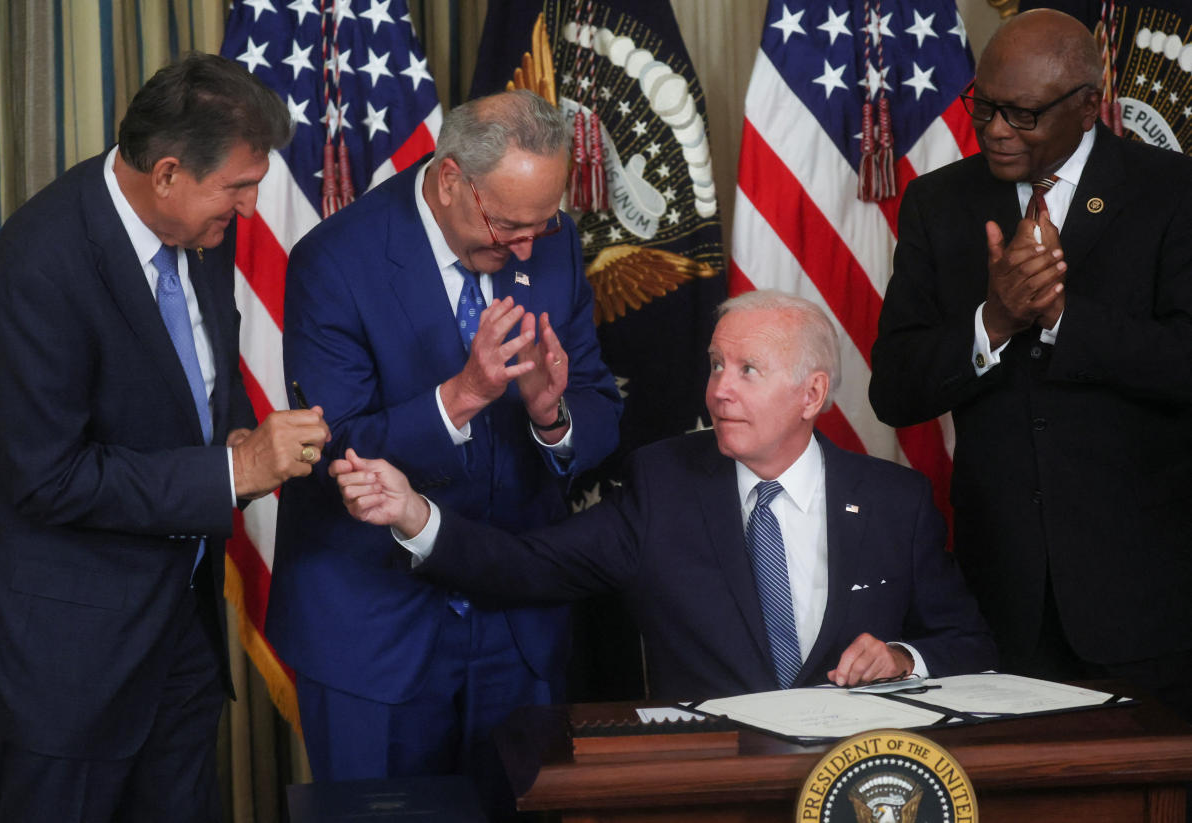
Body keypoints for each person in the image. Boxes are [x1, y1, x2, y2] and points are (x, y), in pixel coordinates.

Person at [0, 52, 330, 822]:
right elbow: (47, 479)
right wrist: (231, 473)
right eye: (239, 186)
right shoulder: (37, 269)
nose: (253, 209)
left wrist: (228, 441)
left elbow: (185, 386)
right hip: (69, 653)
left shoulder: (204, 228)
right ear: (165, 175)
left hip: (178, 631)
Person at [333, 291, 997, 701]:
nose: (718, 391)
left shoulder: (893, 500)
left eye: (748, 370)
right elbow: (529, 565)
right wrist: (415, 514)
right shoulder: (666, 483)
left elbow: (969, 642)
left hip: (851, 786)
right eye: (715, 365)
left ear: (812, 395)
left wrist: (903, 657)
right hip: (708, 782)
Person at [268, 89, 621, 789]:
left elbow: (600, 405)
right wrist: (463, 396)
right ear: (452, 178)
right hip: (375, 628)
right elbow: (329, 450)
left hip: (519, 626)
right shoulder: (334, 261)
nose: (526, 245)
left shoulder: (552, 247)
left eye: (541, 226)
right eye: (509, 225)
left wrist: (553, 417)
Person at [870, 9, 1192, 718]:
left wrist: (1060, 317)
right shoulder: (939, 203)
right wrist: (995, 320)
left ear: (1086, 106)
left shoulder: (1171, 192)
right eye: (983, 106)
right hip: (1000, 599)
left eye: (1020, 114)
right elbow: (894, 386)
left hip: (1146, 603)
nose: (994, 130)